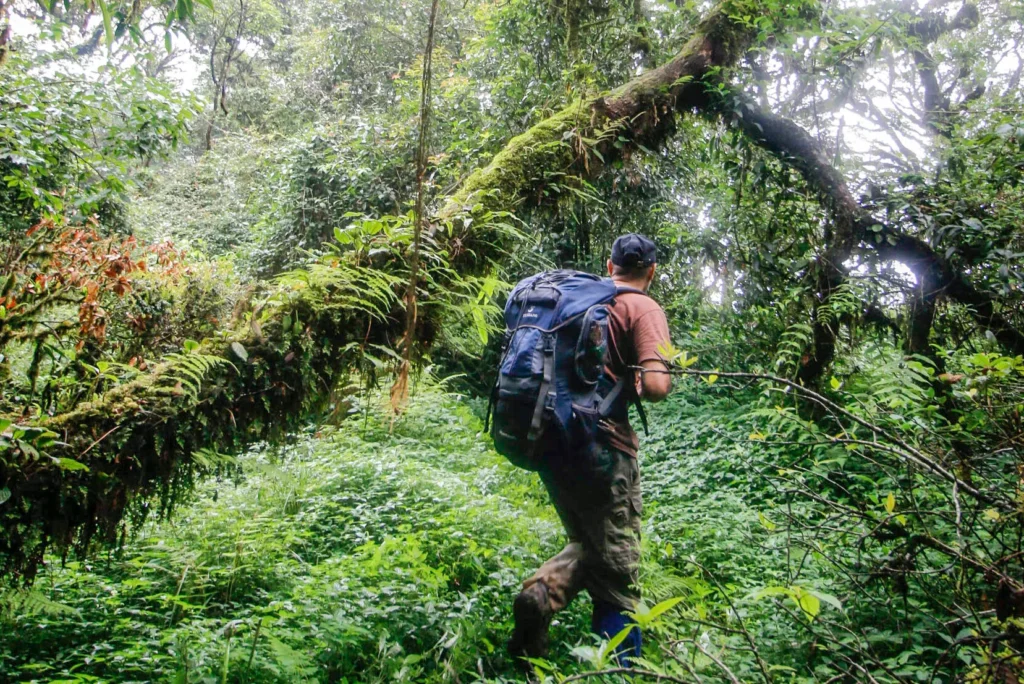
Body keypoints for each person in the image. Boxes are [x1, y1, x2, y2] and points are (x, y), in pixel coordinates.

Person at [508, 233, 674, 668]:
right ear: (651, 271)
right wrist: (643, 379)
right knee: (618, 569)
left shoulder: (581, 300)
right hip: (604, 450)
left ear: (609, 264)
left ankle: (541, 593)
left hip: (554, 442)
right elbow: (656, 387)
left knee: (588, 542)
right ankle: (620, 669)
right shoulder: (643, 307)